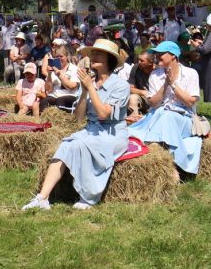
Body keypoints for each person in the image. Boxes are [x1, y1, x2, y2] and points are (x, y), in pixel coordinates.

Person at [22, 39, 130, 210]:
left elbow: (103, 114)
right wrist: (85, 92)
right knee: (66, 145)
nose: (93, 56)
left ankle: (88, 196)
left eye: (98, 53)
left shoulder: (121, 85)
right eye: (93, 53)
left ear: (109, 58)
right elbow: (79, 118)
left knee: (81, 144)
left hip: (112, 133)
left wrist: (90, 88)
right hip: (91, 130)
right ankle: (42, 197)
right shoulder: (88, 82)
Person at [128, 41, 202, 178]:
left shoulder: (190, 73)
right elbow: (153, 103)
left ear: (173, 55)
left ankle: (167, 161)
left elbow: (190, 102)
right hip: (158, 114)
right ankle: (167, 163)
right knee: (162, 115)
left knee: (167, 116)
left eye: (161, 54)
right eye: (156, 54)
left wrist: (173, 84)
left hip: (184, 118)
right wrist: (165, 84)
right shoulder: (155, 75)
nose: (157, 57)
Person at [42, 42, 80, 111]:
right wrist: (49, 74)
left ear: (67, 57)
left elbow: (72, 86)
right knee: (44, 101)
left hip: (70, 96)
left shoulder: (74, 69)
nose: (59, 59)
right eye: (57, 57)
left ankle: (61, 118)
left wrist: (59, 75)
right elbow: (49, 90)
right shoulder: (54, 68)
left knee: (60, 100)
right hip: (55, 95)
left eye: (61, 56)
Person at [127, 50, 156, 118]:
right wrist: (143, 92)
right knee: (132, 98)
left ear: (150, 62)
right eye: (138, 60)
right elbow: (130, 88)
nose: (139, 62)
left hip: (156, 99)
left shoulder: (158, 71)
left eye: (142, 61)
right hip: (143, 98)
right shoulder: (135, 68)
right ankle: (133, 121)